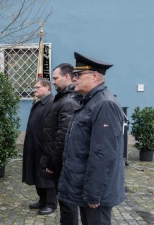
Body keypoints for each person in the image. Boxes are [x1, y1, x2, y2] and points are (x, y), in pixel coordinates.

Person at [57, 52, 126, 225]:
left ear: (95, 76)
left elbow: (103, 154)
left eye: (78, 75)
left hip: (96, 192)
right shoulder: (90, 100)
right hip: (85, 185)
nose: (74, 79)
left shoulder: (104, 104)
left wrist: (93, 192)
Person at [42, 63, 81, 225]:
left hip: (64, 164)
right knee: (64, 201)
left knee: (67, 202)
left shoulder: (68, 101)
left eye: (55, 78)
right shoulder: (63, 99)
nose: (53, 81)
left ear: (67, 77)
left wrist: (53, 163)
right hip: (61, 162)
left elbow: (63, 137)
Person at [22, 78, 57, 215]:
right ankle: (42, 199)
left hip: (45, 147)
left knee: (47, 176)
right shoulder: (40, 103)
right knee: (37, 174)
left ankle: (51, 203)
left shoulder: (51, 103)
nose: (34, 90)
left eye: (37, 87)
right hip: (35, 145)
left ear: (47, 87)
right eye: (34, 87)